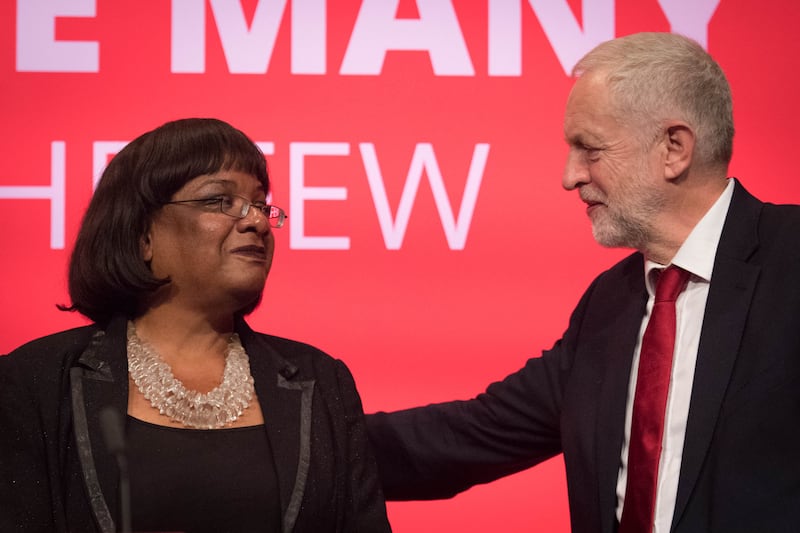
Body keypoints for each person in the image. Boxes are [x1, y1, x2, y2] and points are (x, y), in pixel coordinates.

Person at [366, 32, 800, 533]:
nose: (570, 177)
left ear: (674, 149)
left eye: (590, 149)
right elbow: (473, 434)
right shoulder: (610, 302)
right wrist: (292, 437)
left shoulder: (790, 261)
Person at [0, 118, 391, 533]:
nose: (257, 222)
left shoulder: (321, 381)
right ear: (142, 235)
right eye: (221, 200)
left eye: (261, 204)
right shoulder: (36, 382)